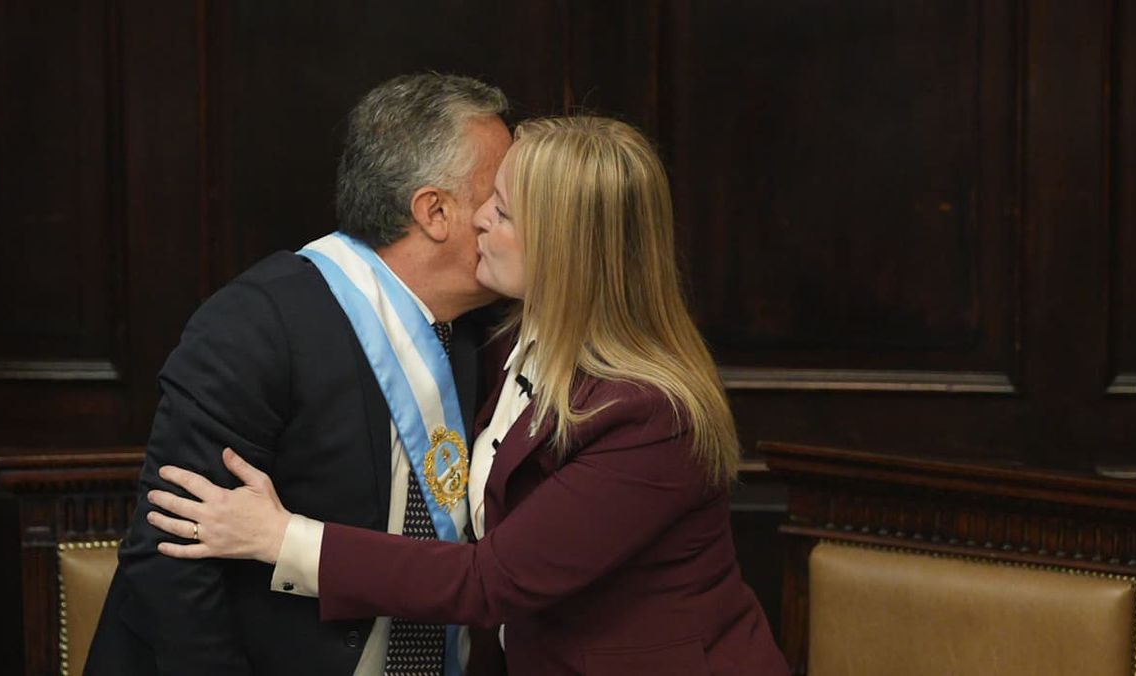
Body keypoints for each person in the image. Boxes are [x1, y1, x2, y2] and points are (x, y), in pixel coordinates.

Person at [144, 117, 791, 675]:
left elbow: (491, 580)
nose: (479, 215)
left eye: (503, 211)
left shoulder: (649, 413)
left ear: (565, 251)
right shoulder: (505, 338)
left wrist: (281, 537)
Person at [85, 73, 512, 676]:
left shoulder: (486, 329)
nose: (512, 216)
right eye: (497, 198)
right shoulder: (258, 323)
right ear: (435, 211)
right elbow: (171, 556)